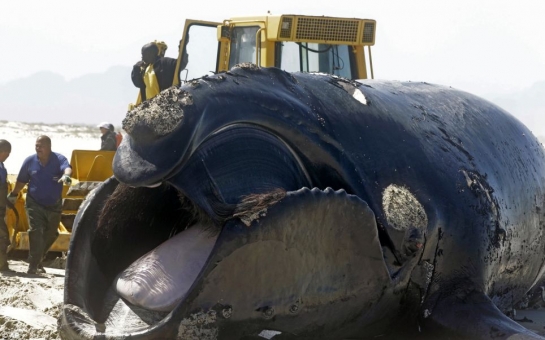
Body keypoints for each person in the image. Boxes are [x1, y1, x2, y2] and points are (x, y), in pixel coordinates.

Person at [7, 136, 72, 274]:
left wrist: (66, 176)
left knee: (52, 234)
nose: (38, 148)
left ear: (49, 146)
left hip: (54, 205)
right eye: (36, 145)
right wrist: (13, 195)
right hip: (34, 203)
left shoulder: (58, 159)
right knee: (36, 231)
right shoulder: (30, 161)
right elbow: (21, 181)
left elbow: (67, 168)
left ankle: (38, 259)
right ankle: (33, 265)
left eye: (41, 146)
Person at [0, 140, 13, 272]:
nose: (8, 156)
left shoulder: (2, 167)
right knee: (2, 237)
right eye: (7, 153)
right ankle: (2, 266)